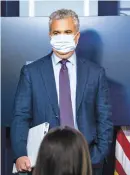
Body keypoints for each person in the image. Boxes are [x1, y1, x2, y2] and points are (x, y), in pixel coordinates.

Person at [11, 9, 113, 175]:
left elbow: (104, 119)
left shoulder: (95, 73)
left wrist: (96, 156)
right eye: (57, 32)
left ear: (77, 36)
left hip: (85, 160)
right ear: (50, 36)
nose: (62, 37)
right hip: (43, 160)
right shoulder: (31, 72)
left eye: (67, 32)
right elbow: (20, 116)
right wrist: (21, 154)